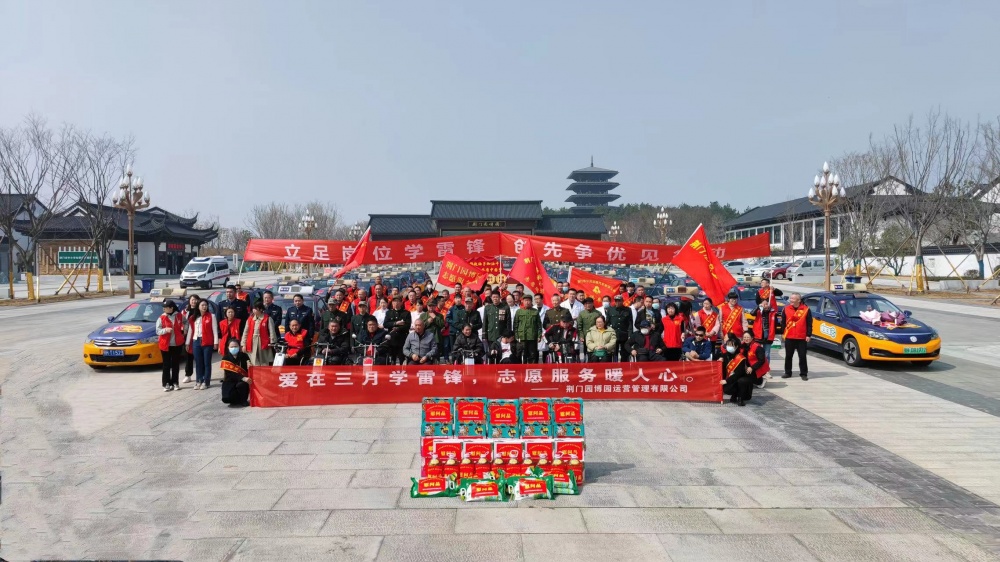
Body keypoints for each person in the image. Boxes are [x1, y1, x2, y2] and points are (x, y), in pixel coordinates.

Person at [186, 300, 218, 390]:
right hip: (196, 341)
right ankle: (198, 380)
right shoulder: (193, 317)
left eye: (206, 305)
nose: (204, 307)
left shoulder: (211, 316)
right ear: (198, 306)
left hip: (207, 342)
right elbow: (190, 331)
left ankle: (206, 382)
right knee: (198, 363)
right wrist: (187, 342)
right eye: (202, 305)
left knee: (207, 363)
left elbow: (215, 330)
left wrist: (216, 342)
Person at [156, 299, 186, 391]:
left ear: (171, 308)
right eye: (164, 308)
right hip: (165, 345)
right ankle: (166, 383)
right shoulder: (161, 318)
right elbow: (158, 331)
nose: (164, 309)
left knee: (175, 364)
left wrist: (184, 330)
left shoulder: (179, 316)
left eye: (165, 308)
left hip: (177, 344)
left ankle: (175, 382)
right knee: (166, 365)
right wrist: (165, 330)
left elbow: (186, 323)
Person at [781, 293, 812, 380]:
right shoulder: (786, 308)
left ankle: (803, 373)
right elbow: (783, 322)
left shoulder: (806, 309)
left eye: (793, 299)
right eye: (790, 298)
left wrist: (808, 335)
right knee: (788, 356)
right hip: (789, 336)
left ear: (799, 300)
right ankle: (788, 372)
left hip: (801, 337)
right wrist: (783, 333)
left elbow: (809, 323)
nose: (791, 300)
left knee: (802, 356)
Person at [721, 334, 753, 406]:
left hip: (740, 378)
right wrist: (719, 359)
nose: (729, 347)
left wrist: (727, 380)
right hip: (731, 378)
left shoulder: (741, 358)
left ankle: (741, 398)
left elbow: (738, 374)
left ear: (736, 347)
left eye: (731, 345)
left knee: (741, 381)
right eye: (728, 345)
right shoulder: (725, 355)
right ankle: (734, 394)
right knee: (726, 389)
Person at [242, 302, 277, 366]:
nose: (253, 310)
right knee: (253, 360)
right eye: (253, 308)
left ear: (261, 309)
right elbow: (245, 332)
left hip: (263, 341)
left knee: (264, 360)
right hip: (252, 341)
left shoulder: (267, 318)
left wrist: (272, 342)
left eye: (256, 309)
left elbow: (272, 331)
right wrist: (243, 344)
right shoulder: (250, 319)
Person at [220, 337, 251, 408]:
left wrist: (249, 366)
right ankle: (236, 399)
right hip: (230, 380)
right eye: (232, 347)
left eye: (235, 346)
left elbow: (247, 369)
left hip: (242, 381)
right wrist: (242, 378)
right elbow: (229, 374)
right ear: (228, 347)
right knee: (226, 398)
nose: (234, 348)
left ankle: (243, 400)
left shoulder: (244, 356)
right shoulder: (225, 358)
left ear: (239, 347)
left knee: (242, 384)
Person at [513, 294, 542, 364]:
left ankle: (532, 368)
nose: (527, 302)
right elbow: (515, 325)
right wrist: (516, 336)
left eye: (529, 300)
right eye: (525, 300)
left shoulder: (535, 311)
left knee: (532, 355)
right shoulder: (519, 311)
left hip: (532, 337)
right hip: (522, 337)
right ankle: (522, 369)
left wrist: (539, 336)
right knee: (522, 354)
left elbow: (539, 325)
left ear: (531, 302)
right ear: (523, 301)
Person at [383, 296, 411, 364]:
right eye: (394, 301)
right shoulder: (389, 313)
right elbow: (385, 324)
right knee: (392, 359)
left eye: (398, 301)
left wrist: (398, 328)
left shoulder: (406, 313)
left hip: (402, 338)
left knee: (401, 358)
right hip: (392, 338)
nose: (396, 303)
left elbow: (407, 325)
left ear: (401, 302)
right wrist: (395, 323)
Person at [607, 295, 633, 362]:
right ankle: (615, 365)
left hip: (624, 334)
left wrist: (630, 334)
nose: (618, 302)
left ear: (622, 301)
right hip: (614, 334)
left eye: (619, 301)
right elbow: (607, 322)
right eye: (616, 301)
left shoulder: (628, 310)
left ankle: (624, 366)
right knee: (614, 353)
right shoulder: (610, 310)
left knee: (624, 353)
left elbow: (630, 323)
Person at [182, 294, 201, 383]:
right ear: (189, 301)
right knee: (188, 357)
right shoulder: (185, 311)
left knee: (199, 357)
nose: (194, 301)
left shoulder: (201, 311)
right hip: (188, 336)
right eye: (192, 299)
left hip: (198, 336)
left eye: (195, 299)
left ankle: (200, 375)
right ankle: (188, 375)